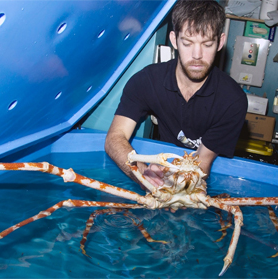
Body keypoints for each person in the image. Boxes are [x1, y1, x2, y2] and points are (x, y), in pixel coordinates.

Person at [105, 0, 247, 189]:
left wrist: (177, 186)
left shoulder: (232, 100)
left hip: (198, 177)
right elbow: (115, 137)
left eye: (207, 44)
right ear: (174, 40)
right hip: (161, 168)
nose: (197, 55)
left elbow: (203, 162)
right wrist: (141, 173)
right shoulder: (146, 81)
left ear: (220, 42)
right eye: (187, 43)